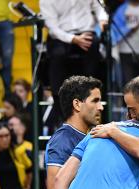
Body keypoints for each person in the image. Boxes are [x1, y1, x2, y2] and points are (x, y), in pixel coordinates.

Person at [42, 75, 104, 189]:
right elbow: (54, 188)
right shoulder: (63, 140)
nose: (101, 107)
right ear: (77, 104)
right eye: (95, 101)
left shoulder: (90, 137)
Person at [39, 0, 108, 131]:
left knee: (95, 48)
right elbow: (53, 28)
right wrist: (73, 39)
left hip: (86, 32)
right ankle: (61, 113)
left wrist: (103, 19)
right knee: (57, 55)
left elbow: (99, 8)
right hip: (61, 36)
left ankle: (91, 100)